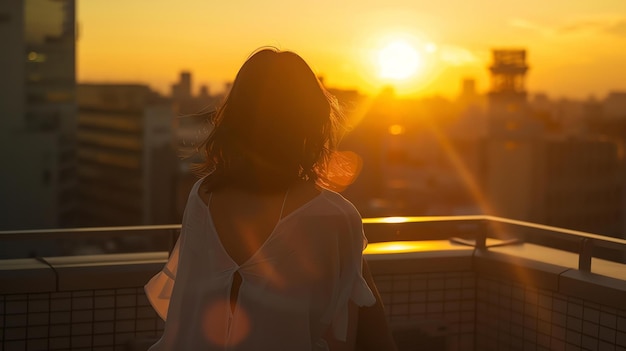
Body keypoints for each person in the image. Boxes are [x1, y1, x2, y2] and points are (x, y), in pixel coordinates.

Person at [145, 47, 397, 350]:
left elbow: (185, 304)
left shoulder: (203, 196)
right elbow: (365, 328)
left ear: (235, 118)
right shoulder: (333, 216)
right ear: (311, 123)